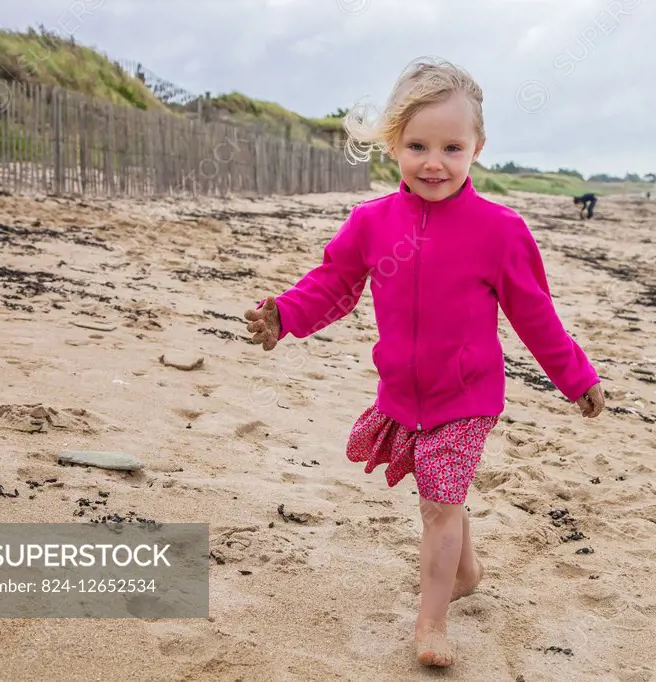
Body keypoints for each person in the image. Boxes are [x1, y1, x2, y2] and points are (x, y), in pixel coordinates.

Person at [243, 57, 605, 669]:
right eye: (417, 146)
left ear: (477, 149)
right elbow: (335, 285)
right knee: (445, 494)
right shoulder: (372, 223)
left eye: (451, 148)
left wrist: (577, 377)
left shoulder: (500, 230)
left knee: (438, 503)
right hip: (403, 392)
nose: (433, 162)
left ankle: (431, 621)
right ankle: (465, 573)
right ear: (393, 144)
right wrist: (286, 316)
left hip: (468, 396)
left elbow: (535, 316)